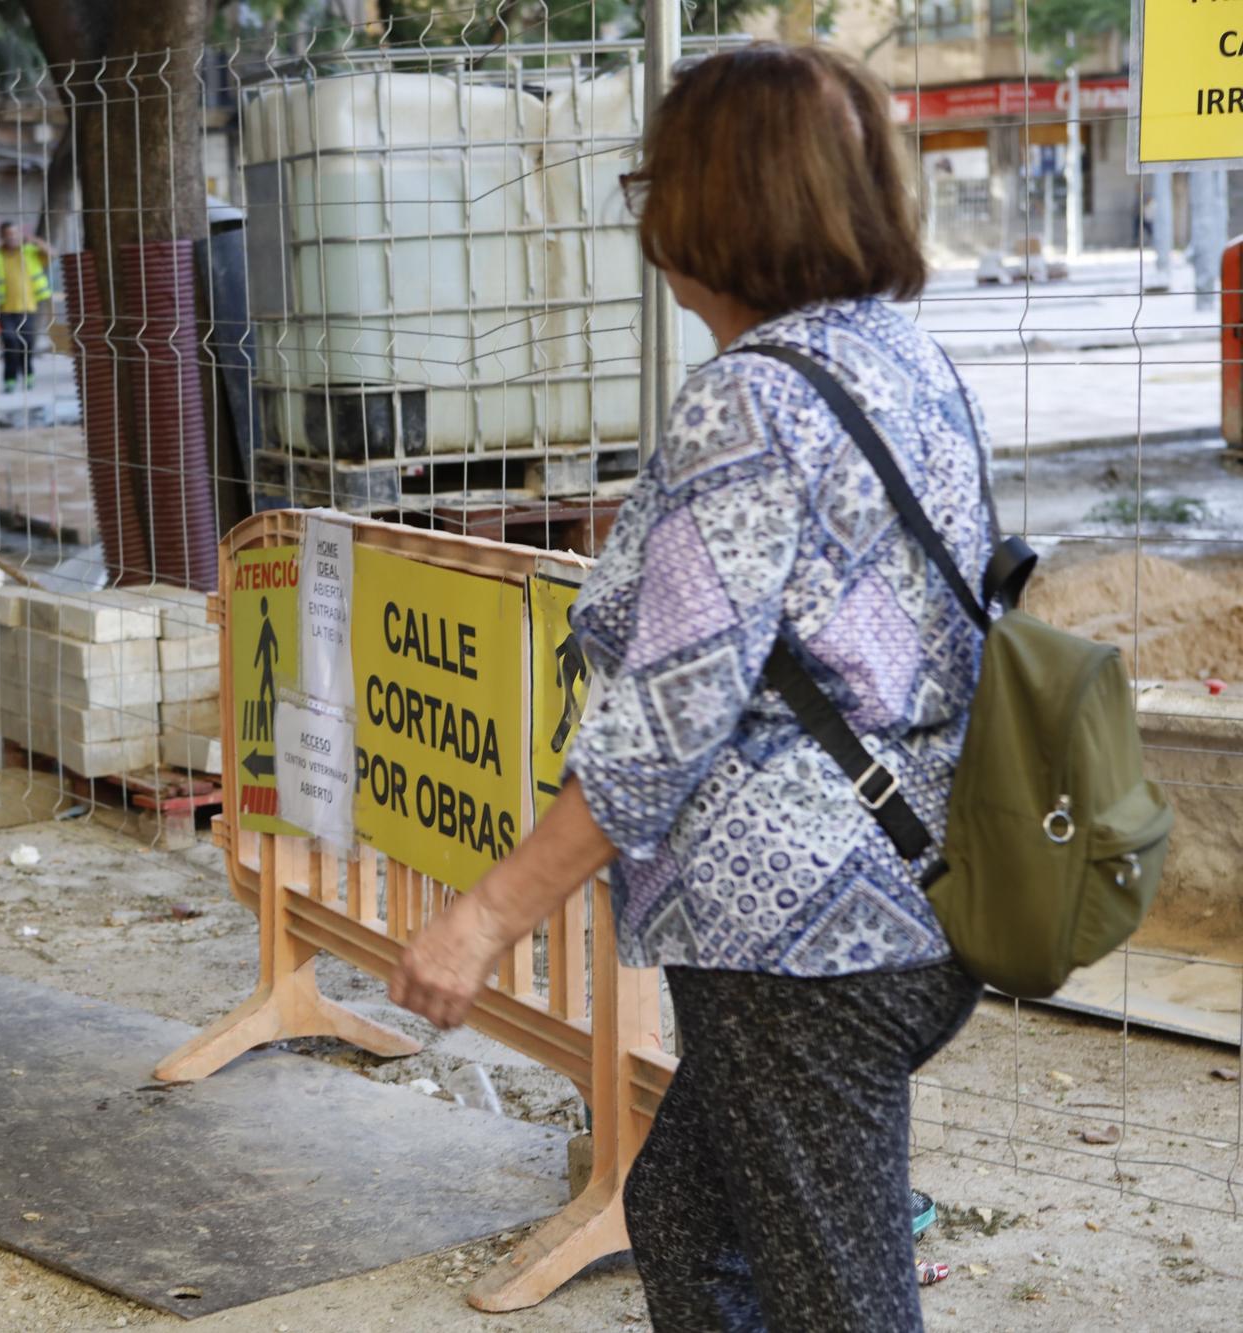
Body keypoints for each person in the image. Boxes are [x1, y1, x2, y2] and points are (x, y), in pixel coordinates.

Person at [389, 45, 990, 1332]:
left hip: (804, 935)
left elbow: (662, 721)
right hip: (915, 889)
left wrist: (479, 919)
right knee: (682, 1219)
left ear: (707, 208)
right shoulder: (897, 357)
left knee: (838, 1300)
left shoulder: (747, 405)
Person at [0, 221, 53, 392]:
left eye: (15, 233)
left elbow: (53, 254)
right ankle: (10, 379)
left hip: (29, 308)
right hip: (5, 310)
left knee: (27, 344)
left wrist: (36, 241)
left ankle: (28, 373)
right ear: (2, 236)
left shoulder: (30, 252)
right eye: (8, 234)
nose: (12, 237)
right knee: (10, 344)